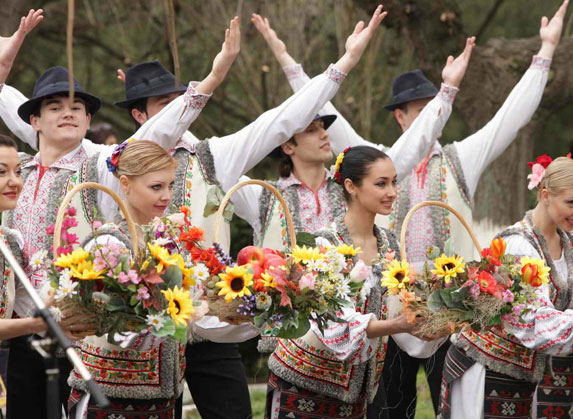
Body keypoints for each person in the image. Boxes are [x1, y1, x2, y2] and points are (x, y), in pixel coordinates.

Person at [257, 1, 570, 415]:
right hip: (389, 307)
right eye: (421, 111)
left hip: (449, 309)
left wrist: (544, 54)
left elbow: (508, 120)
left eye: (435, 109)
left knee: (451, 405)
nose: (431, 119)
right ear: (401, 117)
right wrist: (288, 63)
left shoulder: (461, 159)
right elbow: (323, 110)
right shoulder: (382, 160)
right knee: (389, 408)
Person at [115, 7, 390, 419]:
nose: (182, 111)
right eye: (165, 105)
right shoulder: (114, 163)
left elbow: (278, 123)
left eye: (182, 101)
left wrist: (344, 64)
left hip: (210, 323)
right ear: (139, 116)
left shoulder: (212, 156)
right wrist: (211, 79)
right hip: (144, 326)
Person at [0, 10, 240, 418]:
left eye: (78, 106)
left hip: (81, 330)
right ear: (34, 120)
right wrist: (5, 61)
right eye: (55, 106)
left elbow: (153, 137)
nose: (69, 112)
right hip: (23, 330)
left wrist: (212, 79)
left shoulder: (99, 166)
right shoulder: (13, 170)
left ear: (90, 120)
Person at [246, 14, 473, 253]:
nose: (325, 135)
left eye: (324, 128)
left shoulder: (352, 184)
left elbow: (409, 148)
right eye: (311, 130)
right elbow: (216, 165)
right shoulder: (263, 196)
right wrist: (286, 60)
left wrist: (447, 93)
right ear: (287, 145)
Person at [266, 146, 438, 418]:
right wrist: (397, 325)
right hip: (303, 384)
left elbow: (399, 307)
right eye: (381, 183)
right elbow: (332, 320)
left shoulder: (390, 244)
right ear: (351, 186)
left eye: (394, 182)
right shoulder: (324, 245)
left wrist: (429, 325)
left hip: (357, 392)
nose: (392, 191)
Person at [439, 157, 573, 418]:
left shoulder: (569, 245)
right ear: (545, 195)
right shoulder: (518, 244)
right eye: (571, 203)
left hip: (520, 371)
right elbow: (530, 317)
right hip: (485, 367)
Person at [67, 140, 186, 418]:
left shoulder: (167, 241)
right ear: (125, 183)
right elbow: (115, 326)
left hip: (162, 395)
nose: (167, 196)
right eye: (156, 187)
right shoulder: (107, 244)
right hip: (107, 394)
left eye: (170, 185)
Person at [0, 133, 93, 417]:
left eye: (18, 171)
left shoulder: (8, 241)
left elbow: (32, 300)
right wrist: (39, 323)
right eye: (2, 172)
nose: (15, 181)